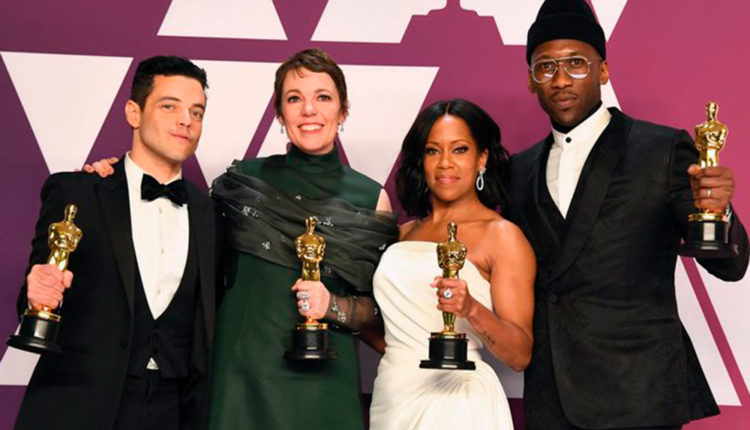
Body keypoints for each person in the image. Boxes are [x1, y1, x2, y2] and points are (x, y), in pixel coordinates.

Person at [508, 1, 750, 429]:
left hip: (640, 395)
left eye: (576, 63)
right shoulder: (518, 169)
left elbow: (731, 266)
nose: (560, 80)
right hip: (551, 400)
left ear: (603, 71)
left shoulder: (660, 150)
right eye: (545, 67)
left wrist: (719, 209)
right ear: (531, 80)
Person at [13, 56, 223, 430]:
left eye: (197, 112)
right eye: (169, 106)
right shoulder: (78, 192)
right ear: (133, 112)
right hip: (78, 405)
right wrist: (36, 292)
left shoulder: (211, 213)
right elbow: (37, 293)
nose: (186, 120)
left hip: (172, 411)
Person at [207, 48, 398, 429]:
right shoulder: (243, 183)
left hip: (324, 381)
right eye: (295, 99)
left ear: (343, 110)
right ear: (280, 114)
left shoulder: (370, 197)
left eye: (323, 97)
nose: (309, 110)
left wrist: (333, 306)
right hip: (242, 378)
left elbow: (380, 312)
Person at [369, 99, 535, 429]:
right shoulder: (404, 233)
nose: (445, 162)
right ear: (421, 160)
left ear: (481, 158)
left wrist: (470, 308)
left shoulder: (502, 236)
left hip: (458, 403)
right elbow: (397, 337)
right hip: (393, 398)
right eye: (433, 151)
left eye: (459, 149)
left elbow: (519, 355)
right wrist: (335, 309)